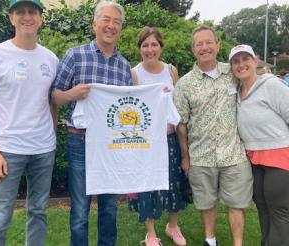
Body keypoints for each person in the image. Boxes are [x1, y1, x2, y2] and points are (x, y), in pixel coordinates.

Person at [0, 0, 58, 245]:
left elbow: (51, 102)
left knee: (39, 212)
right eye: (21, 12)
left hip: (43, 150)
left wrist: (51, 134)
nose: (27, 17)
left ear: (41, 18)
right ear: (11, 18)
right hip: (7, 151)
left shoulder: (50, 59)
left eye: (33, 11)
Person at [50, 1, 132, 245]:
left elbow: (127, 109)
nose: (111, 26)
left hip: (111, 146)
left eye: (116, 22)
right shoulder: (75, 55)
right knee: (80, 209)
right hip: (80, 141)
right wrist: (72, 94)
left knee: (109, 207)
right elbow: (54, 96)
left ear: (121, 28)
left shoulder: (124, 66)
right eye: (106, 20)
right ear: (94, 24)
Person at [173, 26, 253, 246]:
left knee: (236, 203)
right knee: (206, 203)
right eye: (199, 44)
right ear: (193, 50)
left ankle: (238, 243)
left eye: (209, 42)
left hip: (233, 153)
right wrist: (185, 156)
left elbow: (255, 84)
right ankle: (210, 240)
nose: (205, 47)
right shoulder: (184, 84)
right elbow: (181, 124)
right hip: (201, 155)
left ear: (218, 46)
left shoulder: (234, 72)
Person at [229, 44, 289, 246]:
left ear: (255, 62)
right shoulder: (237, 92)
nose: (241, 65)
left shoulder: (272, 86)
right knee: (263, 207)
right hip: (254, 158)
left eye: (245, 59)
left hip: (280, 157)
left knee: (278, 210)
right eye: (236, 61)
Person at [127, 26, 188, 246]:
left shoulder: (171, 71)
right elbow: (131, 110)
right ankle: (151, 234)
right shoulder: (134, 74)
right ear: (140, 48)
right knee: (148, 184)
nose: (150, 49)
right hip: (146, 143)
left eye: (154, 44)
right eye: (145, 45)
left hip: (170, 138)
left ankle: (173, 226)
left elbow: (179, 105)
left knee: (173, 181)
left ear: (160, 47)